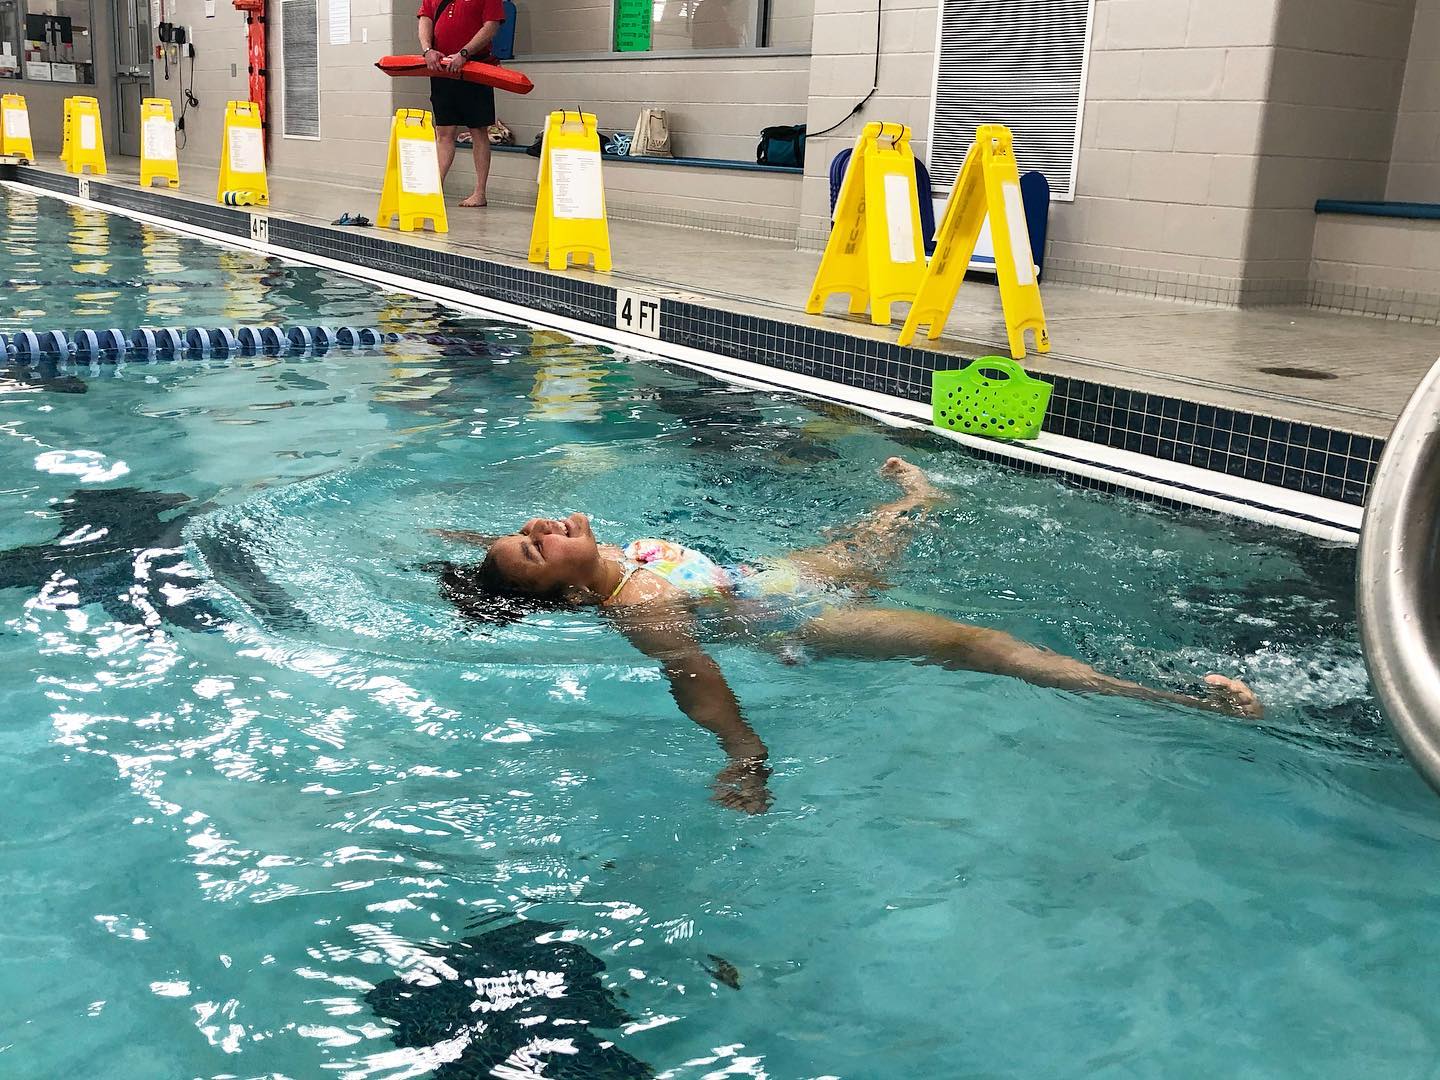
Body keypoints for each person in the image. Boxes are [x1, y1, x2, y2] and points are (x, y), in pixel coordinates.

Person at [433, 458, 1263, 814]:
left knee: (870, 536)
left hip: (770, 581)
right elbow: (695, 680)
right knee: (976, 643)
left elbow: (516, 565)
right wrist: (745, 756)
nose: (537, 527)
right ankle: (1182, 703)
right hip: (806, 623)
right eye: (534, 548)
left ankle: (919, 498)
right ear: (570, 590)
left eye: (525, 528)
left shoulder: (608, 563)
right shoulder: (638, 604)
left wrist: (474, 552)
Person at [417, 0, 505, 208]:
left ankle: (479, 193)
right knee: (443, 132)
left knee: (478, 130)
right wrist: (427, 50)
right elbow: (425, 19)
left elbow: (491, 26)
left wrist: (464, 53)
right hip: (442, 68)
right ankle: (435, 189)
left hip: (476, 67)